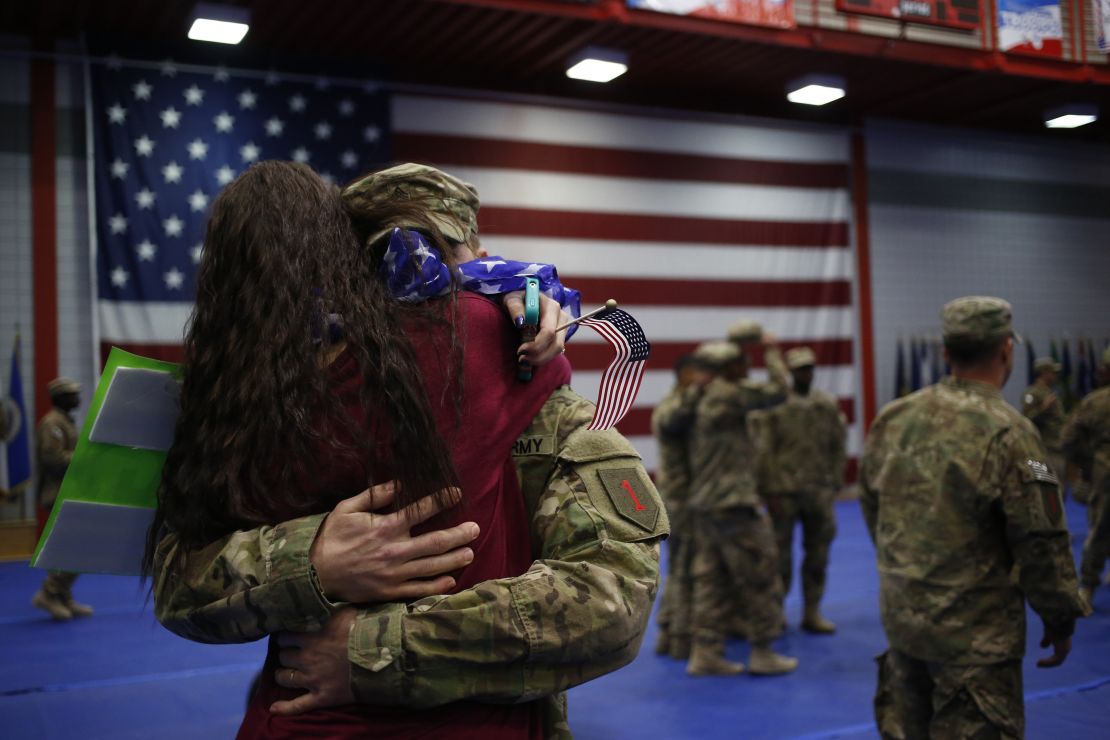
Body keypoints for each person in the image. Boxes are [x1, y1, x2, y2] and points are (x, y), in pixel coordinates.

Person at [148, 162, 666, 738]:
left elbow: (611, 598)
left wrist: (339, 611)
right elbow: (615, 604)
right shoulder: (517, 374)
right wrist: (319, 564)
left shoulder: (267, 398)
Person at [860, 296, 1089, 739]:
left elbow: (875, 509)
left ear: (946, 353)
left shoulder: (893, 417)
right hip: (975, 643)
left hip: (905, 625)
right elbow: (1040, 538)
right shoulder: (1011, 432)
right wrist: (1060, 618)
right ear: (1007, 349)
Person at [685, 340, 796, 676]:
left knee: (712, 579)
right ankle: (762, 651)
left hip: (706, 501)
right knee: (760, 572)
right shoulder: (728, 394)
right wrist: (773, 353)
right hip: (733, 502)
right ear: (726, 367)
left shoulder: (702, 395)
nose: (746, 366)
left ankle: (705, 651)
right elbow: (779, 391)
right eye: (739, 362)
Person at [755, 346, 846, 634]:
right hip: (784, 492)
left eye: (809, 368)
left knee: (818, 554)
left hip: (818, 491)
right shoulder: (777, 406)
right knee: (779, 556)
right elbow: (764, 450)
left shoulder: (826, 404)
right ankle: (776, 612)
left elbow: (837, 445)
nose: (806, 374)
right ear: (791, 373)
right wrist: (767, 489)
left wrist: (835, 481)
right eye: (800, 369)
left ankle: (812, 611)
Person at [652, 353, 712, 660]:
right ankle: (678, 636)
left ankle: (669, 630)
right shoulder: (675, 405)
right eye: (696, 374)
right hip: (681, 499)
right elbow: (673, 422)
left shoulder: (686, 405)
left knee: (681, 568)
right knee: (685, 568)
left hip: (687, 497)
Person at [30, 378, 93, 620]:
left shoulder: (65, 422)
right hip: (57, 493)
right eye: (73, 395)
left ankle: (62, 595)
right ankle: (49, 593)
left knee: (77, 546)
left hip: (70, 492)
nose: (78, 398)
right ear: (61, 398)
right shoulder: (52, 424)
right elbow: (53, 460)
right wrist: (85, 457)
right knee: (74, 546)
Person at [1063, 346, 1110, 609]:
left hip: (1104, 476)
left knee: (1099, 529)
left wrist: (1088, 464)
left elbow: (1069, 439)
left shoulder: (1095, 402)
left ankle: (1088, 587)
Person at [1022, 357, 1066, 495]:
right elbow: (1026, 419)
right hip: (1043, 450)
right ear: (1044, 372)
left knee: (1060, 492)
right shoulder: (1032, 393)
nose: (1055, 375)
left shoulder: (1049, 392)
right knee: (1047, 492)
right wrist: (1043, 408)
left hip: (1057, 448)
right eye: (1052, 372)